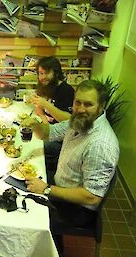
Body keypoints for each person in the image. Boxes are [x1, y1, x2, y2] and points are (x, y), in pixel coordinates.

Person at [25, 79, 119, 255]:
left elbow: (92, 197)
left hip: (77, 209)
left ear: (101, 106)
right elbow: (49, 133)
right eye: (78, 102)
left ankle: (49, 250)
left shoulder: (100, 144)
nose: (81, 109)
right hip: (63, 183)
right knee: (22, 184)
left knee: (27, 214)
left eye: (88, 104)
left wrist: (46, 189)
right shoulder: (78, 121)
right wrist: (34, 124)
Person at [30, 56, 75, 171]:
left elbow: (68, 121)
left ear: (56, 72)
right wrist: (44, 124)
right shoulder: (46, 87)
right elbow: (40, 112)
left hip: (61, 140)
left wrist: (46, 104)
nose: (42, 77)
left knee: (32, 145)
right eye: (40, 73)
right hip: (49, 130)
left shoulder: (66, 90)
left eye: (46, 73)